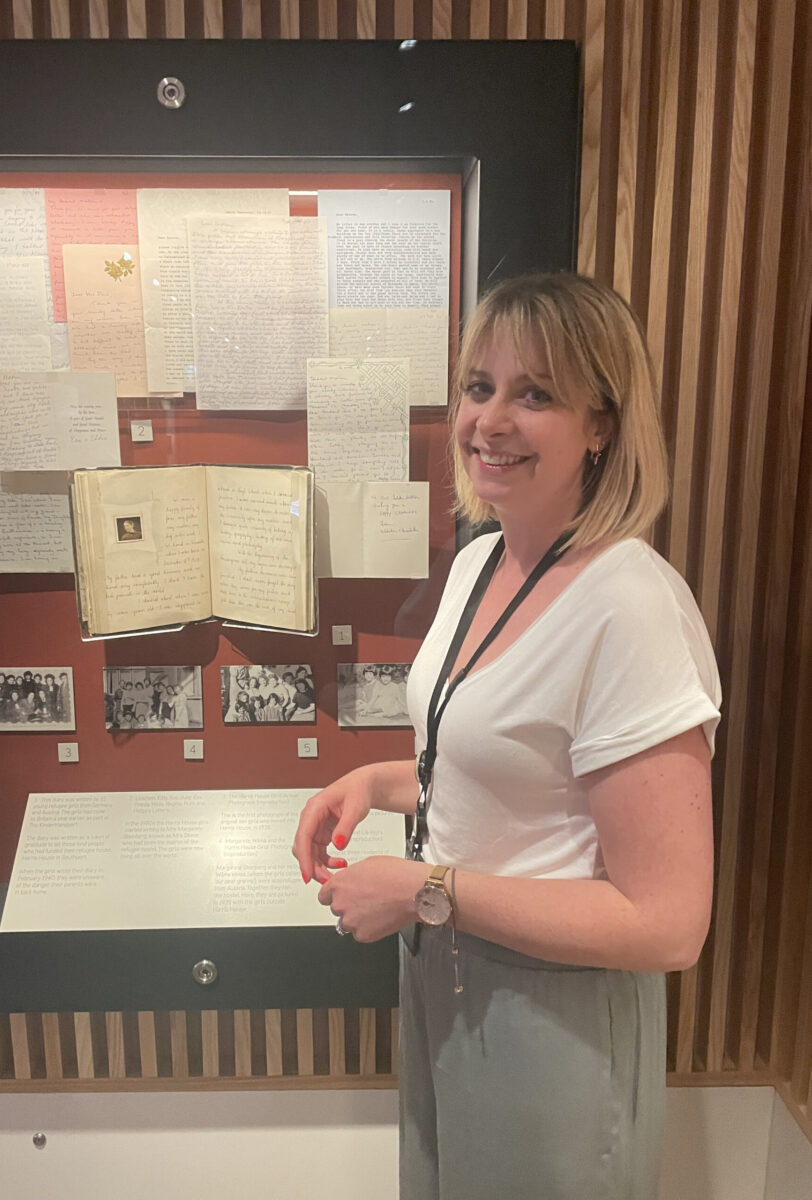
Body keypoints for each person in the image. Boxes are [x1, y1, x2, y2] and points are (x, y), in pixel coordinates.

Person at [292, 273, 721, 1200]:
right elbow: (508, 763)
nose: (489, 421)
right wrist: (377, 782)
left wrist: (423, 889)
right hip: (446, 981)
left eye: (535, 395)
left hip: (553, 1014)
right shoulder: (482, 560)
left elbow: (669, 922)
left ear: (601, 425)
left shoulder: (631, 605)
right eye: (479, 387)